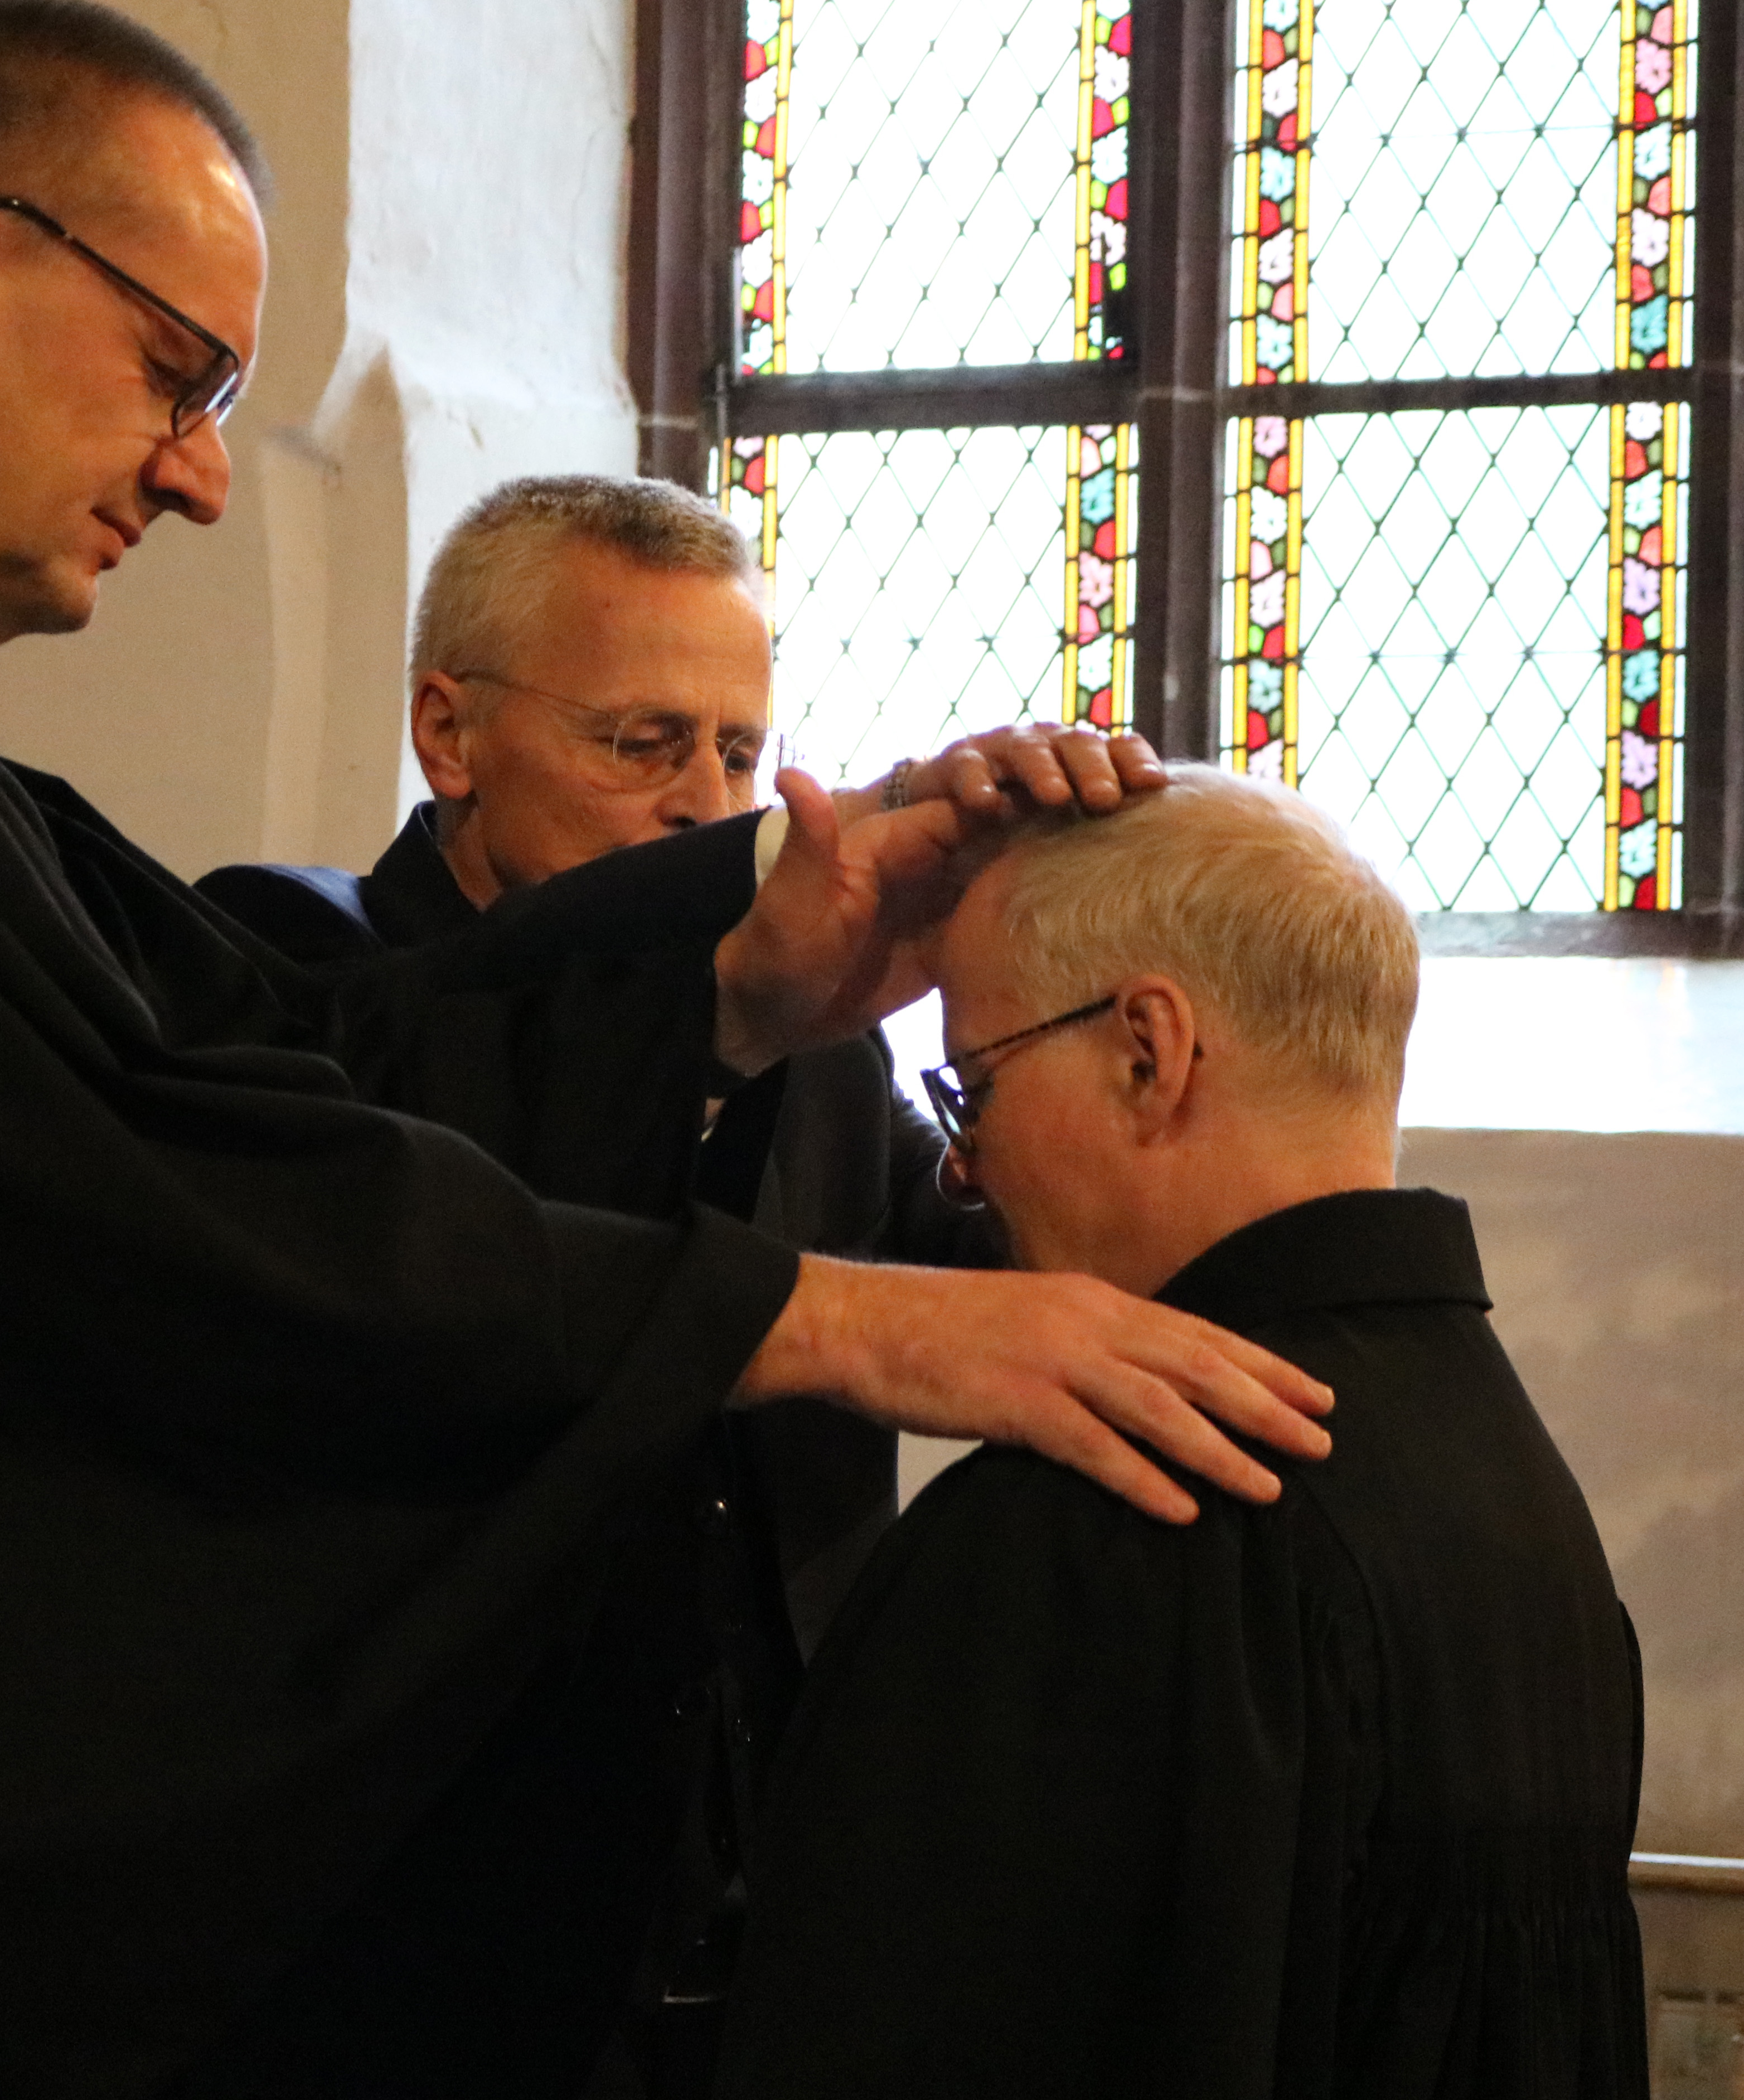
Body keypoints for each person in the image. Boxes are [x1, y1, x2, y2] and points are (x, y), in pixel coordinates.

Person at [0, 7, 1333, 2093]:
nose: (203, 472)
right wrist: (829, 1318)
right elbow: (109, 1191)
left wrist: (747, 969)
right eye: (182, 373)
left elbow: (283, 1051)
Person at [204, 475, 1098, 2086]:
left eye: (741, 756)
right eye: (642, 745)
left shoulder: (821, 1054)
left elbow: (1005, 1282)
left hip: (762, 1947)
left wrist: (1063, 1007)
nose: (704, 806)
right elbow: (431, 1243)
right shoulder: (289, 966)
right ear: (449, 735)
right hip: (417, 1948)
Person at [716, 768, 1649, 2099]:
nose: (957, 1169)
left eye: (971, 1087)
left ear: (1148, 1051)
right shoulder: (1518, 1495)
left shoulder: (1096, 1513)